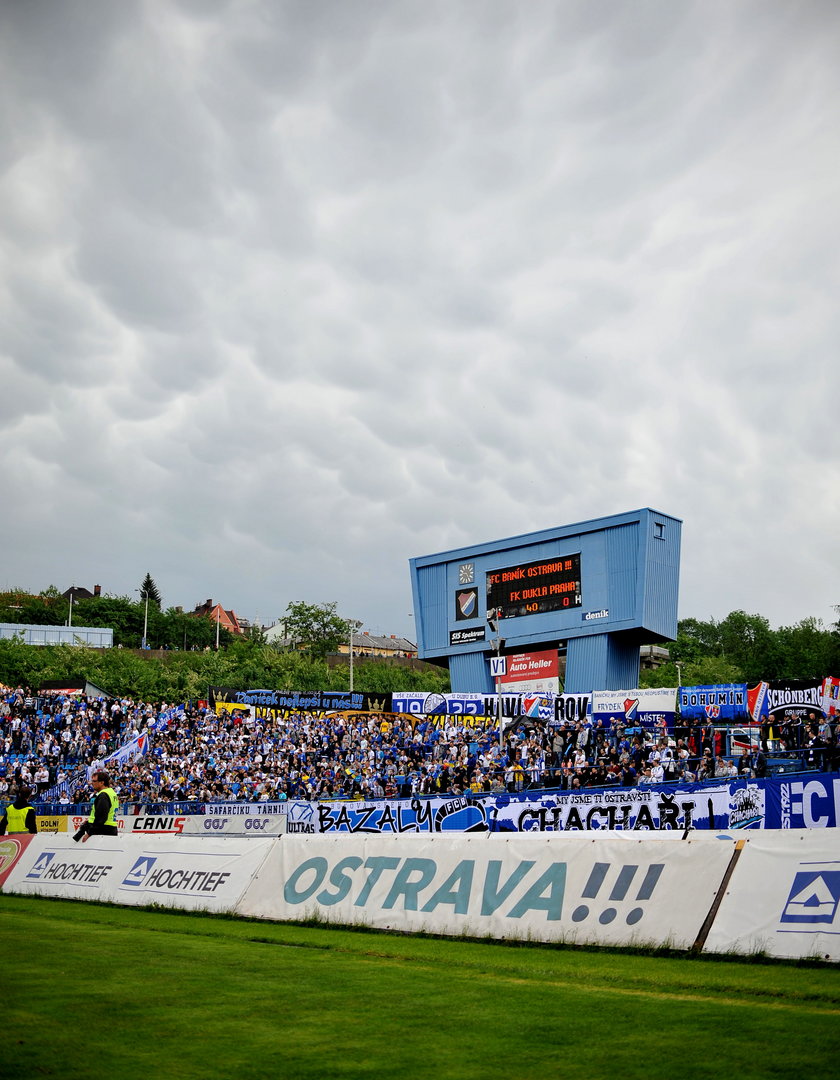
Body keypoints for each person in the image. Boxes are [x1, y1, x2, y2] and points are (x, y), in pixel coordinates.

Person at [73, 770, 119, 842]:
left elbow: (101, 817)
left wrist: (90, 832)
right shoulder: (112, 793)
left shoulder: (103, 795)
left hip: (102, 830)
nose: (92, 783)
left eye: (94, 781)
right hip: (110, 828)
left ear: (102, 782)